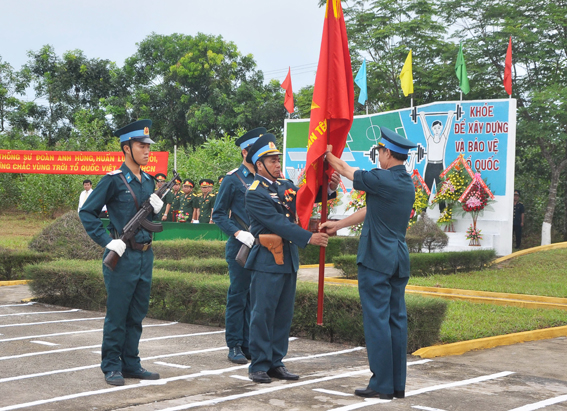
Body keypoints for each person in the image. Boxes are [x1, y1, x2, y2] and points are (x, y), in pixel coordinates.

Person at [320, 126, 416, 400]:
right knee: (396, 321)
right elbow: (368, 210)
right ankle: (396, 385)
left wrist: (326, 152)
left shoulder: (382, 179)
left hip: (377, 259)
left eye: (380, 152)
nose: (378, 157)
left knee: (377, 322)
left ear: (388, 153)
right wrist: (338, 224)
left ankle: (381, 384)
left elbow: (346, 169)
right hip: (397, 259)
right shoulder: (404, 182)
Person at [244, 133, 338, 384]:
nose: (277, 164)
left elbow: (304, 200)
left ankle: (276, 362)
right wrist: (309, 238)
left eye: (277, 159)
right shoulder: (255, 193)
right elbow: (278, 224)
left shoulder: (284, 185)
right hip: (267, 261)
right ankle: (259, 364)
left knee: (282, 315)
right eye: (272, 160)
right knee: (263, 314)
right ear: (259, 164)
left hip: (287, 260)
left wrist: (328, 188)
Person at [79, 119, 163, 386]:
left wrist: (160, 207)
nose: (147, 151)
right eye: (141, 145)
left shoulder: (149, 180)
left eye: (148, 146)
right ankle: (112, 365)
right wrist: (106, 241)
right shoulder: (112, 181)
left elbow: (149, 216)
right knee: (117, 314)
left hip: (145, 256)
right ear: (126, 148)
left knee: (137, 314)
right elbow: (87, 212)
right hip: (122, 255)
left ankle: (131, 362)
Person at [212, 127, 264, 365]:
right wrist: (238, 232)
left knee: (255, 298)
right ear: (245, 152)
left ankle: (248, 343)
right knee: (238, 296)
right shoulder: (233, 180)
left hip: (262, 247)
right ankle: (234, 345)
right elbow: (219, 214)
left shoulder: (266, 179)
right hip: (240, 247)